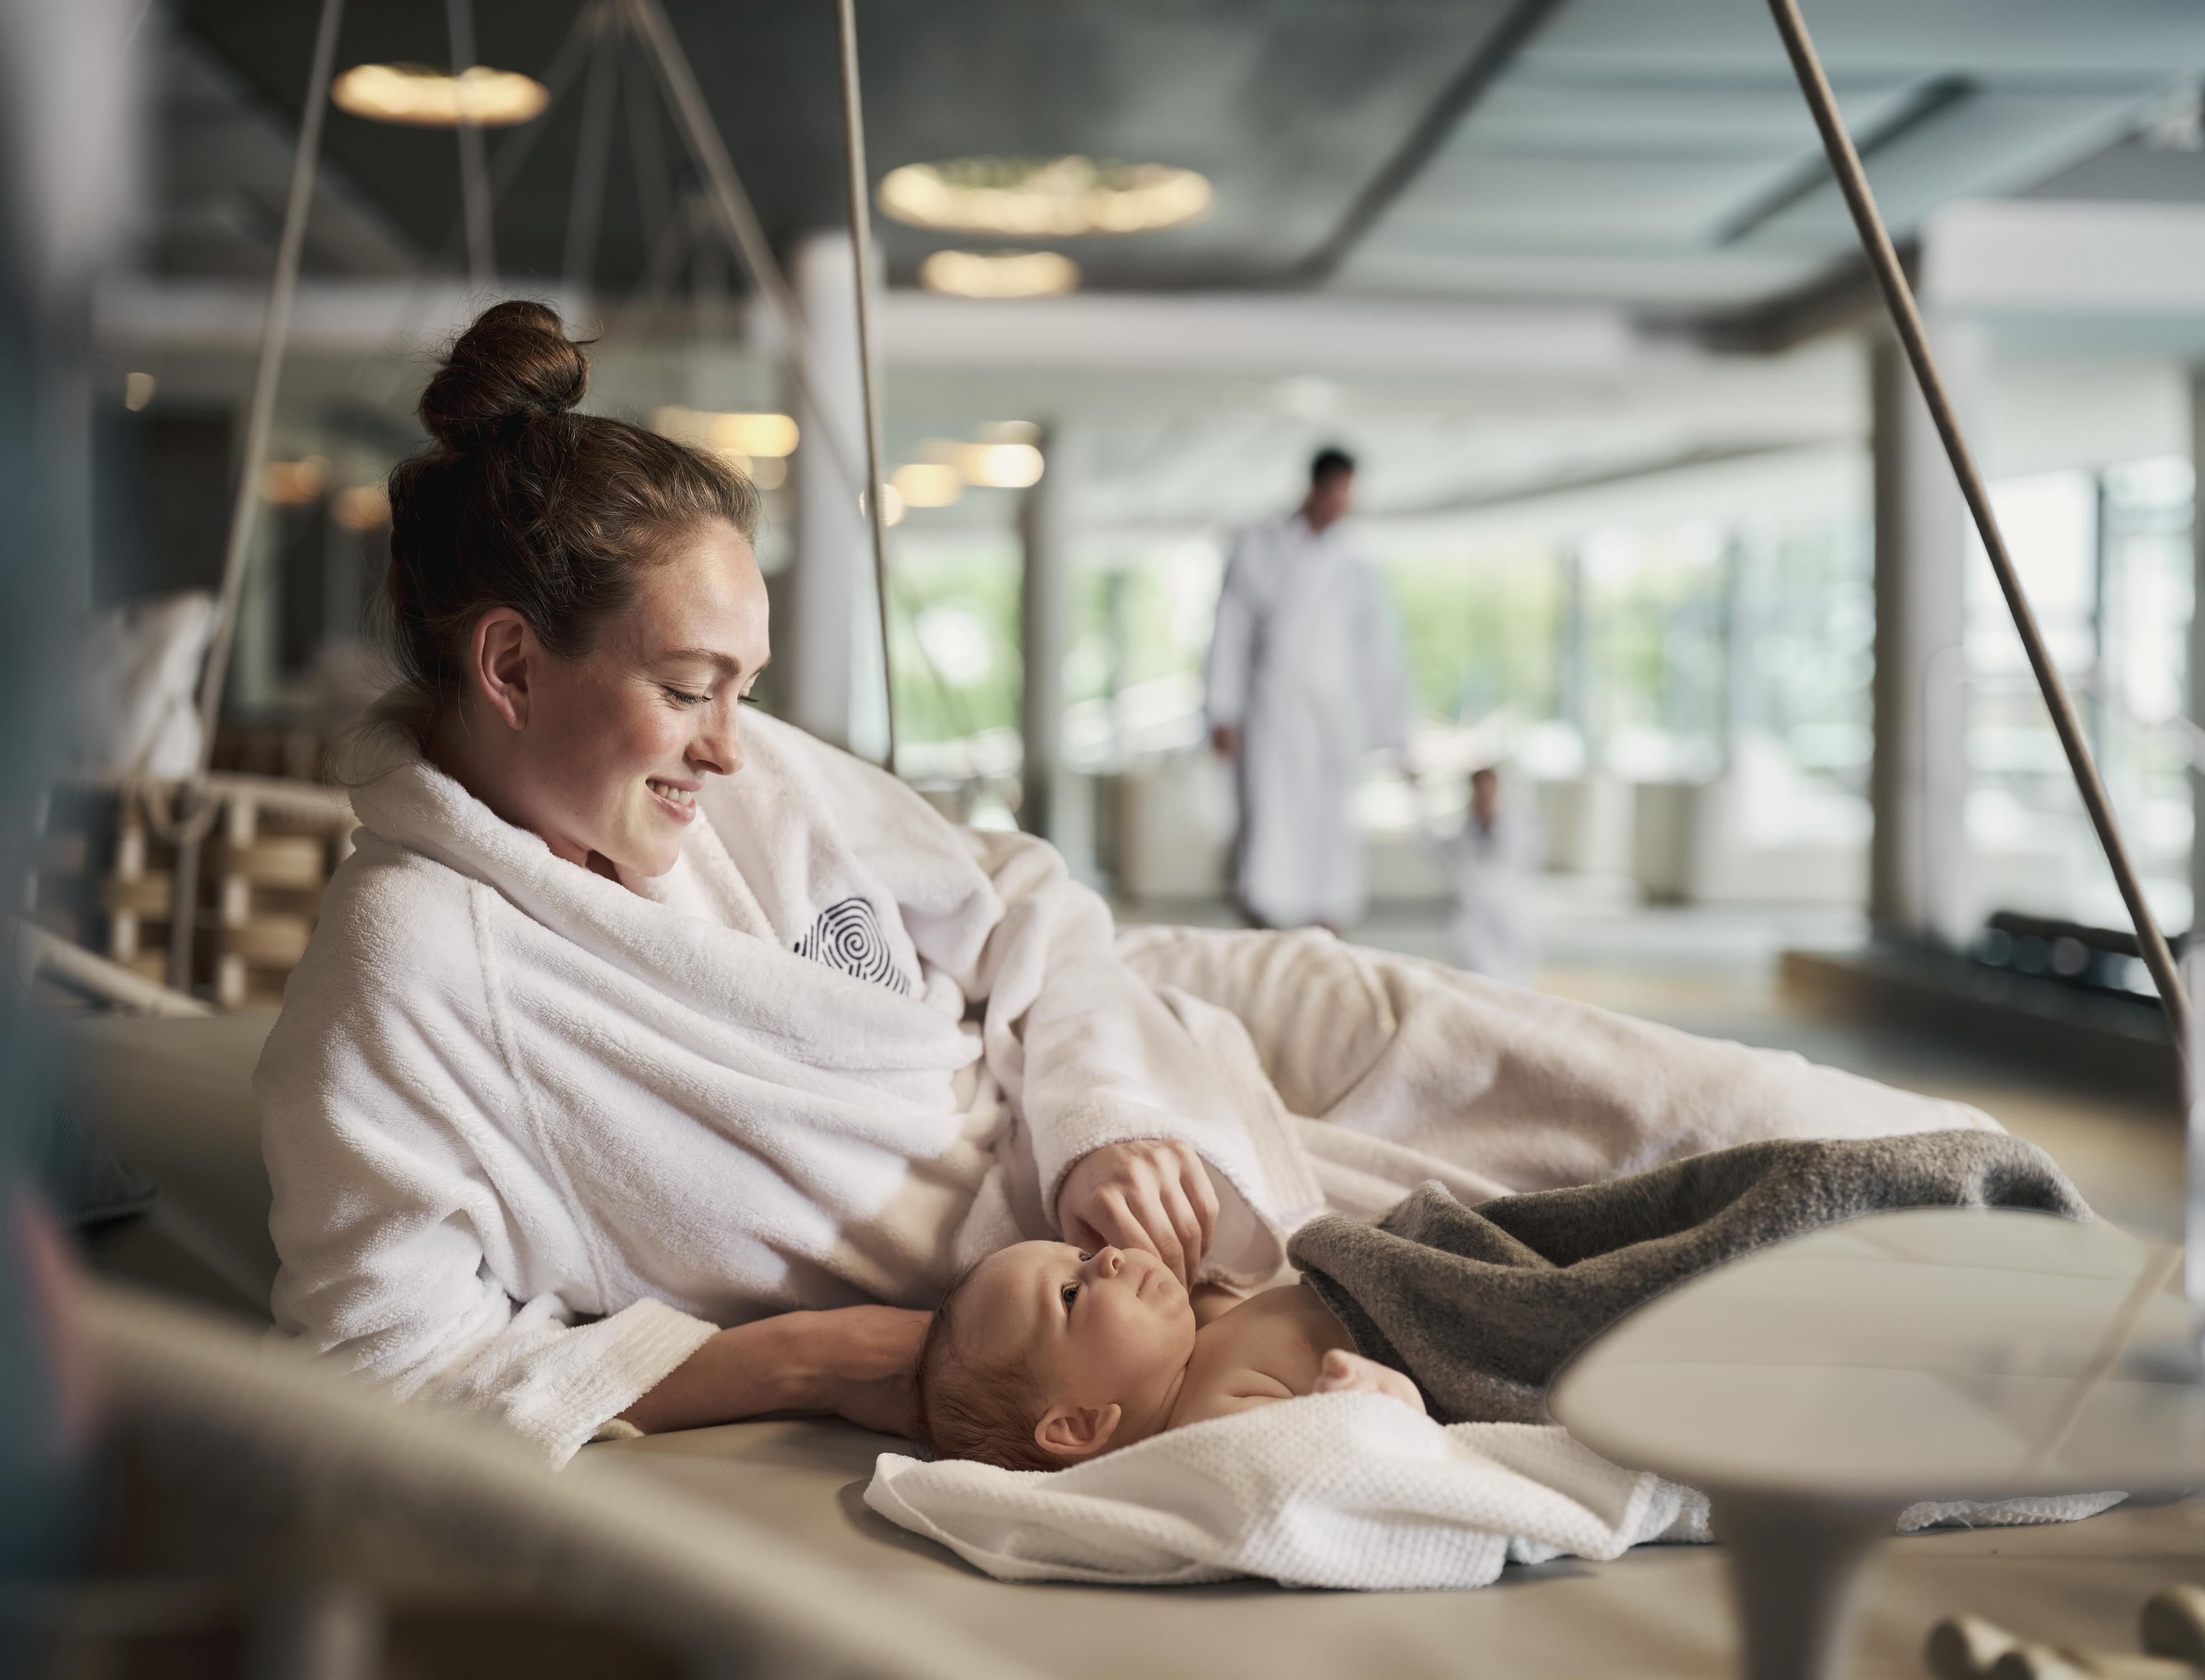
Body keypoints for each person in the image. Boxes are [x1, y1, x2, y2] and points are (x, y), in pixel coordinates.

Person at [256, 301, 2002, 1471]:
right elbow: (382, 1357)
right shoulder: (415, 974)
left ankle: (1982, 1199)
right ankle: (1952, 1266)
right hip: (1110, 1270)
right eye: (692, 685)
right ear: (508, 664)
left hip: (1135, 1052)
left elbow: (1021, 899)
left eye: (746, 685)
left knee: (1655, 1089)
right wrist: (844, 1357)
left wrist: (1095, 1113)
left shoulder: (750, 778)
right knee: (1614, 1247)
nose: (731, 745)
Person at [914, 1240, 1423, 1471]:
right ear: (1079, 1424)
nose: (1109, 1256)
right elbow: (1350, 1469)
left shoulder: (1199, 1350)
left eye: (1084, 1256)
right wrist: (1375, 1408)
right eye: (1070, 1294)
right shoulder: (1213, 1425)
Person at [1203, 447, 1411, 934]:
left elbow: (1379, 652)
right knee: (1270, 811)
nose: (1344, 505)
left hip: (1335, 713)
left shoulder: (1358, 567)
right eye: (1338, 493)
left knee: (1330, 816)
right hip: (1272, 708)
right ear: (1317, 490)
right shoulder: (1259, 547)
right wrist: (1222, 711)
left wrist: (1394, 730)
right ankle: (1266, 911)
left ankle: (1328, 917)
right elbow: (1230, 631)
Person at [1443, 766, 1538, 986]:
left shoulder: (1517, 825)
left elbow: (1522, 858)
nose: (1485, 796)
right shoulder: (1465, 827)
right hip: (1473, 913)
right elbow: (1436, 848)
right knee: (1474, 976)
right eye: (1480, 790)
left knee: (1514, 980)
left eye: (1489, 790)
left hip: (1509, 912)